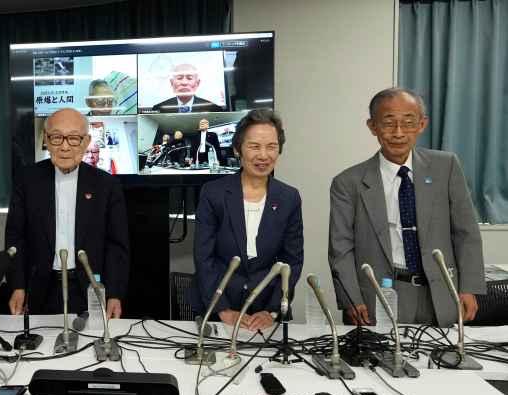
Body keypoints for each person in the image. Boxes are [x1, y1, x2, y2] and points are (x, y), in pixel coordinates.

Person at [329, 88, 484, 326]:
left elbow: (466, 233)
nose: (398, 133)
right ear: (372, 127)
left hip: (441, 294)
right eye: (388, 123)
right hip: (379, 296)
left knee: (441, 360)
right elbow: (340, 249)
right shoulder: (348, 182)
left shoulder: (446, 167)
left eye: (408, 123)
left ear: (422, 124)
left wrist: (469, 287)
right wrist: (351, 298)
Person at [5, 108, 129, 317]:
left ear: (86, 141)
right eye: (56, 138)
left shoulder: (106, 185)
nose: (64, 147)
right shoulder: (27, 181)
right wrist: (18, 285)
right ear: (46, 139)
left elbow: (116, 245)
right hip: (40, 289)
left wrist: (115, 293)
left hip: (90, 289)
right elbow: (16, 237)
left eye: (73, 138)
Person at [193, 109, 303, 331]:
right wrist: (222, 309)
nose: (263, 155)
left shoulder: (289, 197)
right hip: (218, 310)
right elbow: (204, 258)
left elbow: (292, 261)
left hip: (266, 314)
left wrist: (272, 311)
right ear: (237, 149)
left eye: (271, 147)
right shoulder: (213, 193)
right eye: (254, 146)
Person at [151, 64, 226, 113]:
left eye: (189, 78)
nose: (184, 82)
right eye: (179, 78)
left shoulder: (213, 109)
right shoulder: (158, 109)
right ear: (171, 83)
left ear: (197, 83)